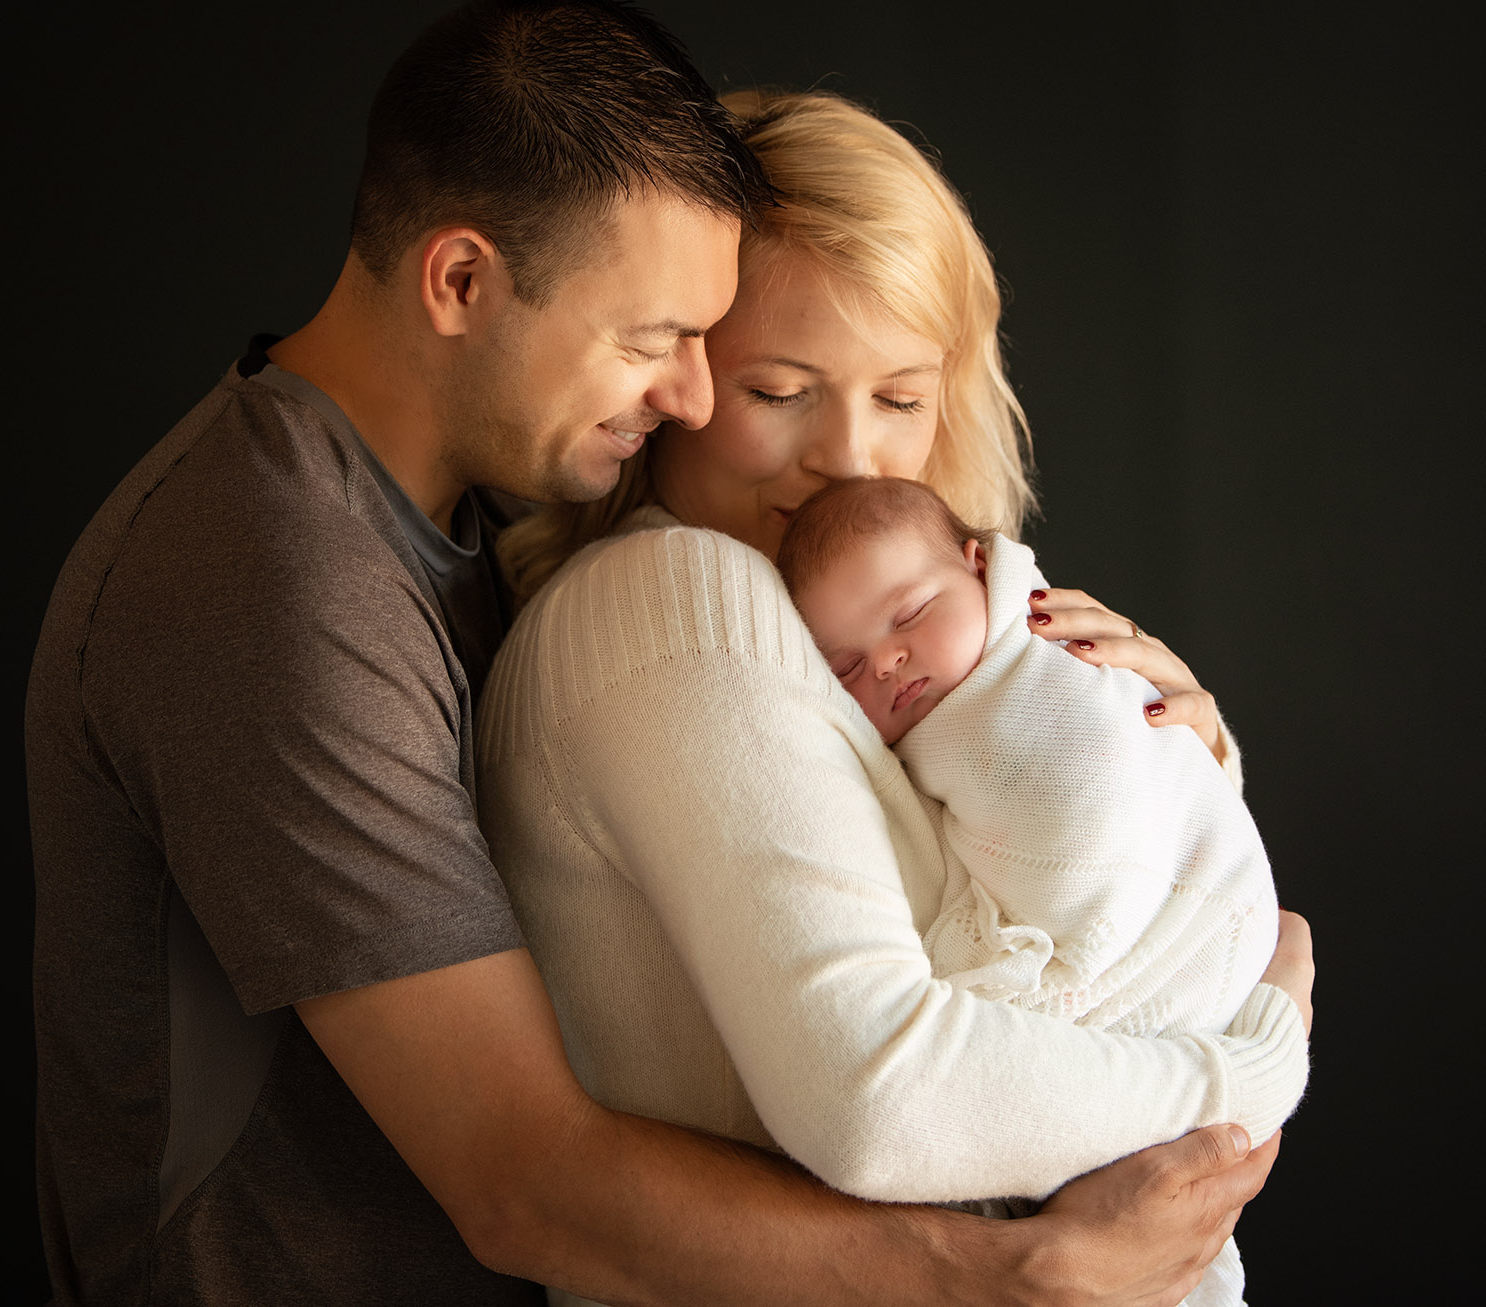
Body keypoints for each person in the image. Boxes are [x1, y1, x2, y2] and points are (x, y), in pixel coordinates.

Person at [26, 3, 1300, 1304]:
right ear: (460, 282)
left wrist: (1164, 755)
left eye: (901, 396)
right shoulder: (288, 576)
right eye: (664, 346)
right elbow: (530, 1171)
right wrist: (1205, 1085)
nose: (684, 392)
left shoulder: (455, 529)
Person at [480, 86, 1313, 1307]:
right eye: (778, 390)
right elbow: (886, 1093)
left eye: (902, 398)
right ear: (674, 376)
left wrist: (1172, 768)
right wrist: (1247, 1060)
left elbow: (1007, 920)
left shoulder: (899, 644)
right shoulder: (672, 594)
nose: (852, 461)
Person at [778, 474, 1288, 1305]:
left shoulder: (1051, 657)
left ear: (981, 568)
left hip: (1167, 960)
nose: (886, 660)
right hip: (1187, 1049)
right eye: (844, 667)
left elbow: (1122, 789)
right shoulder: (893, 741)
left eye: (909, 615)